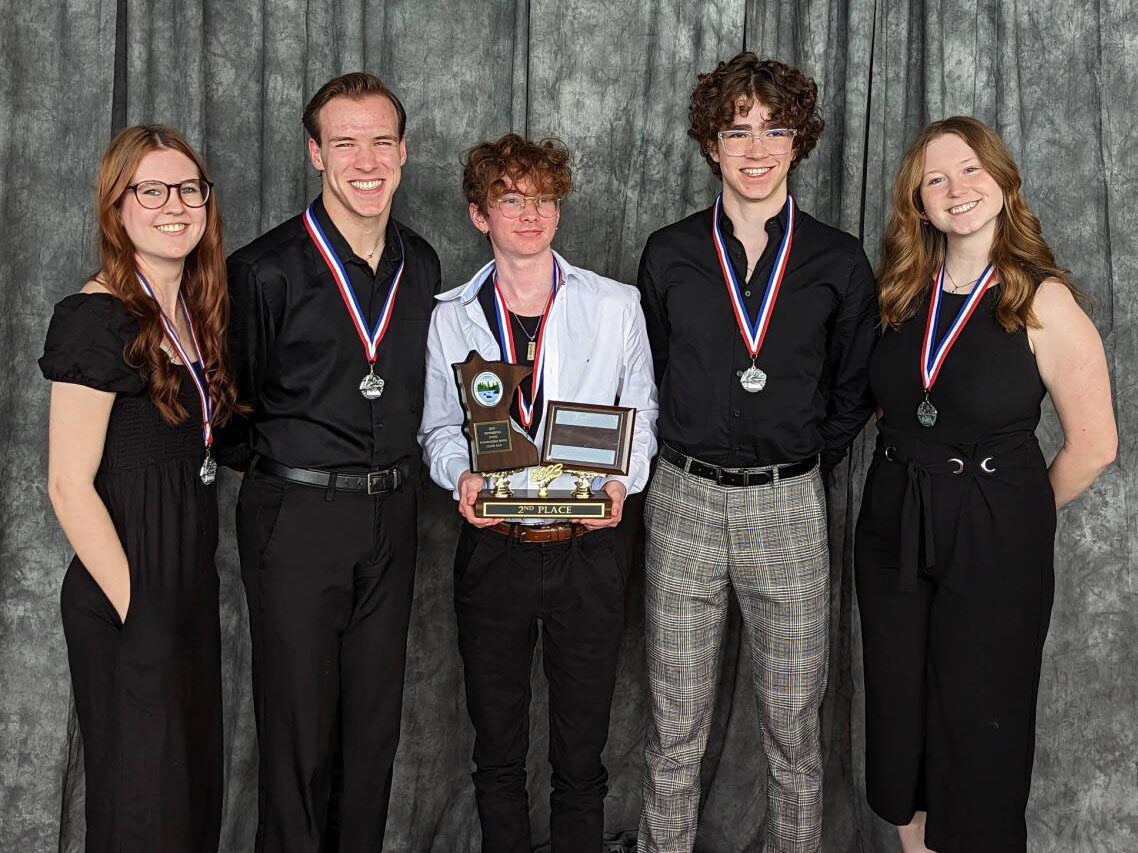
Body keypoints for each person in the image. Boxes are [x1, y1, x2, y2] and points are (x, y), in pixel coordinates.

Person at [637, 53, 878, 853]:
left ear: (799, 141)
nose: (755, 146)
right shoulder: (668, 252)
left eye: (774, 128)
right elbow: (657, 367)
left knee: (793, 732)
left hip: (787, 501)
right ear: (711, 143)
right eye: (736, 129)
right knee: (675, 729)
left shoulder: (838, 260)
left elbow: (853, 391)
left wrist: (801, 463)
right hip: (685, 499)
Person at [855, 116, 1116, 853]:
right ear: (918, 201)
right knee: (901, 712)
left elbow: (1095, 445)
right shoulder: (901, 293)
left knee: (979, 720)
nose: (955, 189)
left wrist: (1006, 510)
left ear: (1002, 181)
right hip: (894, 526)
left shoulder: (1044, 300)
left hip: (993, 535)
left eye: (969, 170)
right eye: (934, 178)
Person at [218, 72, 441, 852]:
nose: (366, 159)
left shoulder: (423, 263)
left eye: (382, 140)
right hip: (298, 515)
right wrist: (288, 472)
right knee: (299, 732)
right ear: (316, 153)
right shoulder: (263, 269)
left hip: (395, 512)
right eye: (344, 142)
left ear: (405, 152)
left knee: (373, 727)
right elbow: (231, 409)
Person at [418, 133, 658, 853]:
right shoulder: (448, 315)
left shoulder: (616, 305)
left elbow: (641, 417)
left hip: (588, 550)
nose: (532, 214)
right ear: (478, 214)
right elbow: (438, 428)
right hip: (495, 549)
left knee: (581, 754)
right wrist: (459, 473)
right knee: (497, 749)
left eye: (545, 199)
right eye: (512, 200)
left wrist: (621, 481)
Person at [40, 124, 238, 852]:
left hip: (185, 585)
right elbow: (68, 484)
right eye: (150, 190)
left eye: (188, 188)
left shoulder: (193, 312)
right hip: (126, 593)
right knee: (138, 803)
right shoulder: (95, 318)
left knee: (186, 795)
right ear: (117, 207)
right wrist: (138, 603)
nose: (174, 205)